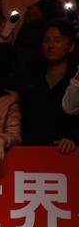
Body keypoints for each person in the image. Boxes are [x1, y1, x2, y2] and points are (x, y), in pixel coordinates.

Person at [19, 20, 79, 153]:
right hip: (31, 151)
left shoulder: (76, 79)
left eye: (57, 40)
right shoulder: (31, 77)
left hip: (67, 153)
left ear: (71, 46)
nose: (51, 45)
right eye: (46, 40)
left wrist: (73, 137)